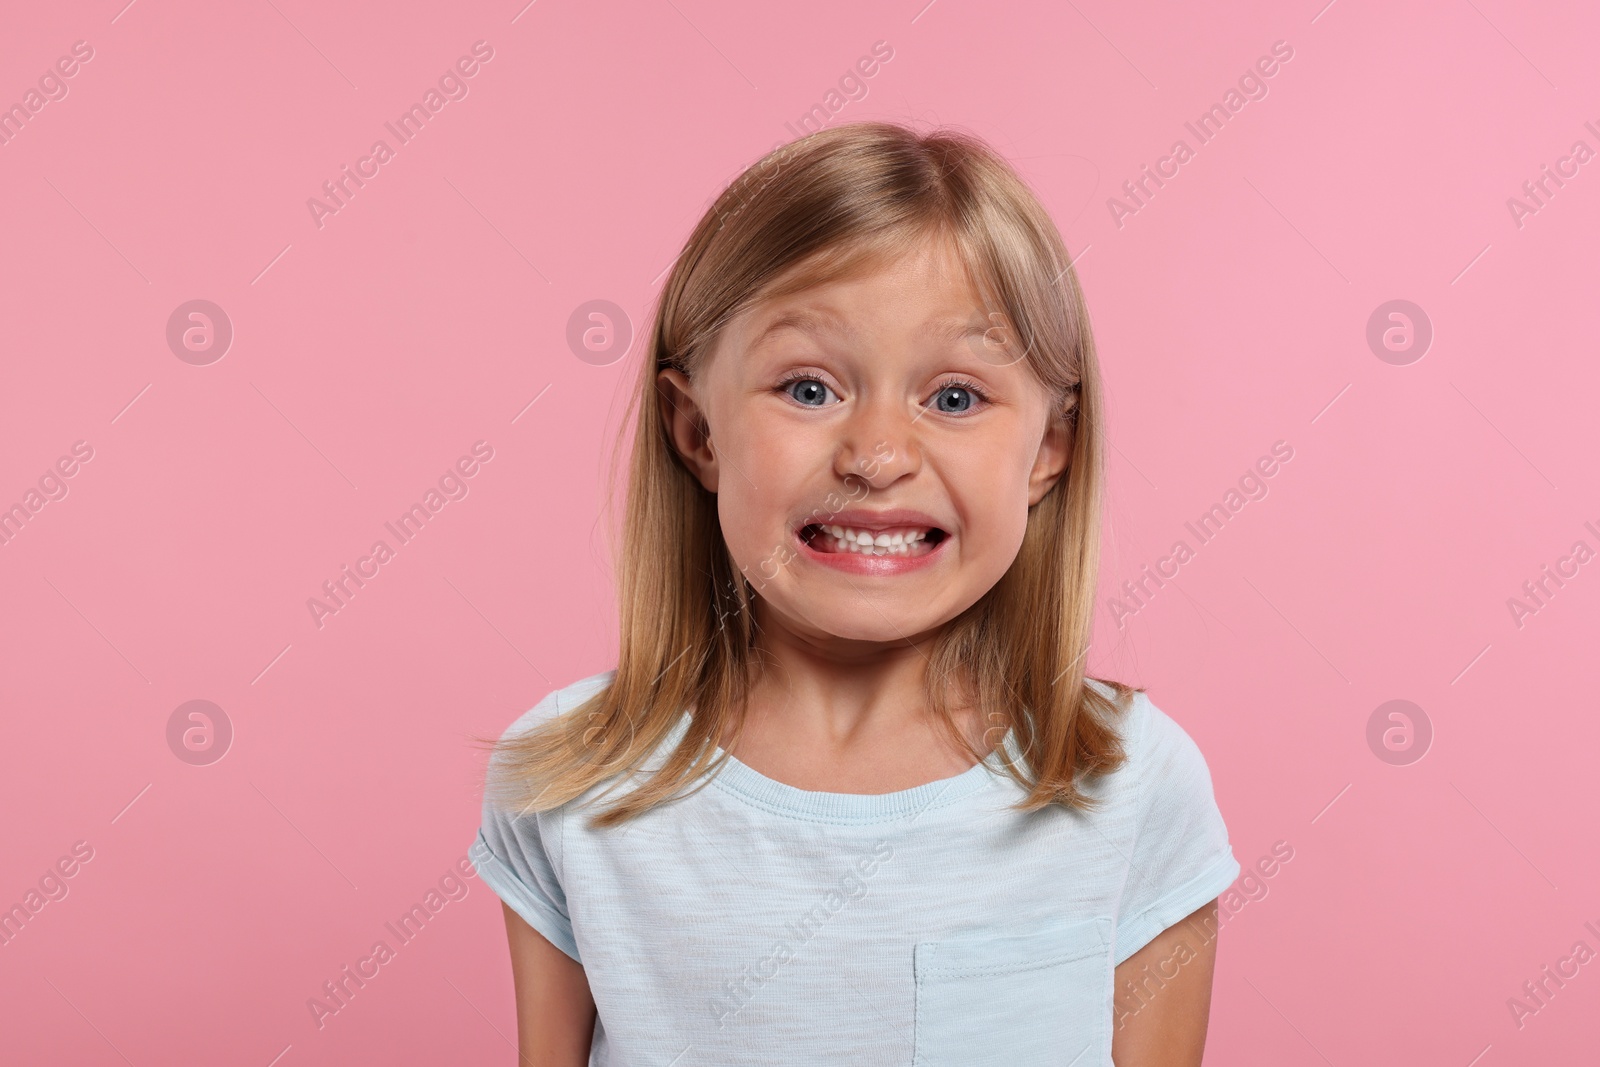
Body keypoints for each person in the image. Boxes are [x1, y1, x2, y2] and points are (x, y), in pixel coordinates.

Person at [471, 120, 1240, 1066]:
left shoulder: (1133, 785)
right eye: (807, 387)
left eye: (954, 397)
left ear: (1048, 451)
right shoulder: (571, 785)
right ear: (697, 431)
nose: (876, 457)